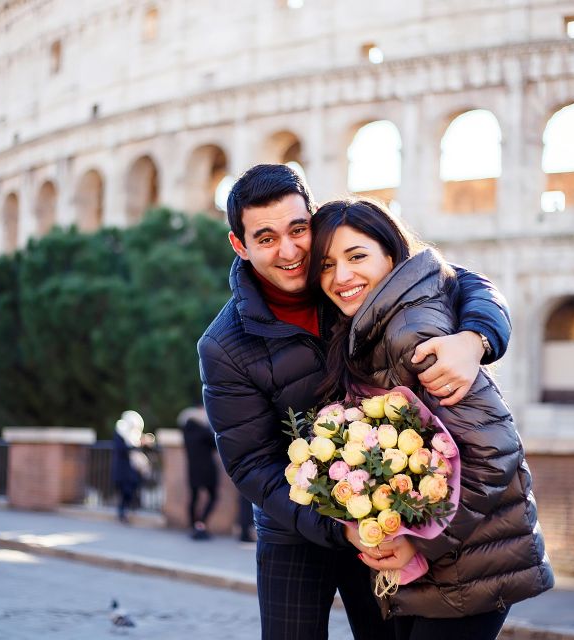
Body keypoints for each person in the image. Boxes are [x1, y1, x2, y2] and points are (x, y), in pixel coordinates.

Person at [197, 163, 513, 640]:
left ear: (313, 218)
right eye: (265, 238)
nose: (288, 251)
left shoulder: (346, 273)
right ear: (239, 245)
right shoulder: (223, 345)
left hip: (386, 508)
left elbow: (458, 281)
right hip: (295, 521)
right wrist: (337, 525)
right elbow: (251, 465)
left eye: (298, 229)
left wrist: (475, 339)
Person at [307, 198, 554, 640]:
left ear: (392, 254)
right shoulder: (371, 325)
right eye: (326, 265)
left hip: (469, 565)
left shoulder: (415, 332)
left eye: (357, 256)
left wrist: (419, 541)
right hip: (440, 569)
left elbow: (495, 452)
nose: (341, 277)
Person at [179, 406, 219, 540]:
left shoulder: (186, 431)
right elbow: (215, 443)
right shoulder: (203, 430)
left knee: (194, 497)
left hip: (192, 469)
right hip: (207, 469)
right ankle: (201, 524)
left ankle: (193, 526)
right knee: (213, 496)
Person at [110, 411, 144, 523]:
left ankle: (126, 511)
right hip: (122, 467)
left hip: (131, 468)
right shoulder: (120, 431)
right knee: (124, 490)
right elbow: (121, 449)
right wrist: (135, 446)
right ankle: (122, 513)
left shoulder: (133, 435)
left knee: (131, 488)